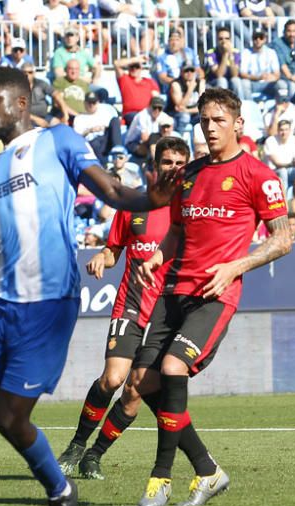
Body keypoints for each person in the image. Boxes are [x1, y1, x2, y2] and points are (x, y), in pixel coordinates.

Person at [0, 67, 177, 506]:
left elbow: (110, 191)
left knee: (10, 419)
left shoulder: (59, 140)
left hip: (45, 305)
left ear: (21, 104)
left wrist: (151, 197)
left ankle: (61, 490)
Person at [132, 87, 292, 506]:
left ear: (238, 124)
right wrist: (157, 257)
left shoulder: (258, 175)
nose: (210, 127)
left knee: (171, 367)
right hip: (174, 289)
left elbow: (283, 240)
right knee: (141, 383)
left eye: (219, 120)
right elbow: (178, 232)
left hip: (214, 294)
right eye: (204, 120)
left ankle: (160, 477)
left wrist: (234, 268)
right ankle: (207, 469)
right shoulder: (190, 174)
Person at [57, 137, 190, 480]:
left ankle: (95, 455)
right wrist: (103, 256)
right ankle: (75, 445)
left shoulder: (191, 210)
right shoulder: (135, 205)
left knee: (134, 391)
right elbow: (113, 249)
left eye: (179, 162)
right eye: (167, 162)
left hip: (166, 314)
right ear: (155, 166)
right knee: (112, 379)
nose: (173, 168)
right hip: (130, 306)